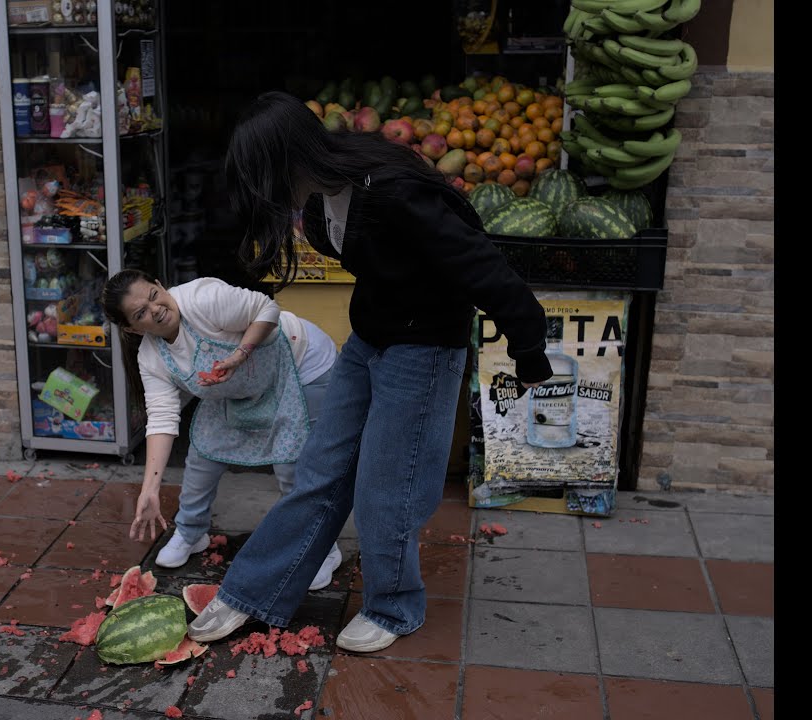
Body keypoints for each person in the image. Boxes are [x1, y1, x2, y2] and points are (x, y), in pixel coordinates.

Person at [187, 90, 554, 652]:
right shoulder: (319, 199)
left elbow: (480, 263)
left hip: (424, 347)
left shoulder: (393, 192)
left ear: (288, 160)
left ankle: (393, 606)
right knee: (319, 470)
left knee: (388, 487)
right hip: (370, 338)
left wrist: (529, 348)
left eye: (262, 176)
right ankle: (254, 592)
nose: (262, 191)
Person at [100, 269, 343, 589]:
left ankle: (324, 550)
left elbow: (267, 308)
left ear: (160, 285)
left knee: (292, 466)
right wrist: (150, 489)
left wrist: (240, 355)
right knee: (204, 451)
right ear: (132, 328)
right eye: (141, 313)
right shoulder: (151, 357)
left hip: (301, 364)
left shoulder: (201, 298)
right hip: (239, 385)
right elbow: (161, 417)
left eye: (154, 296)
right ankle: (191, 532)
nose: (156, 309)